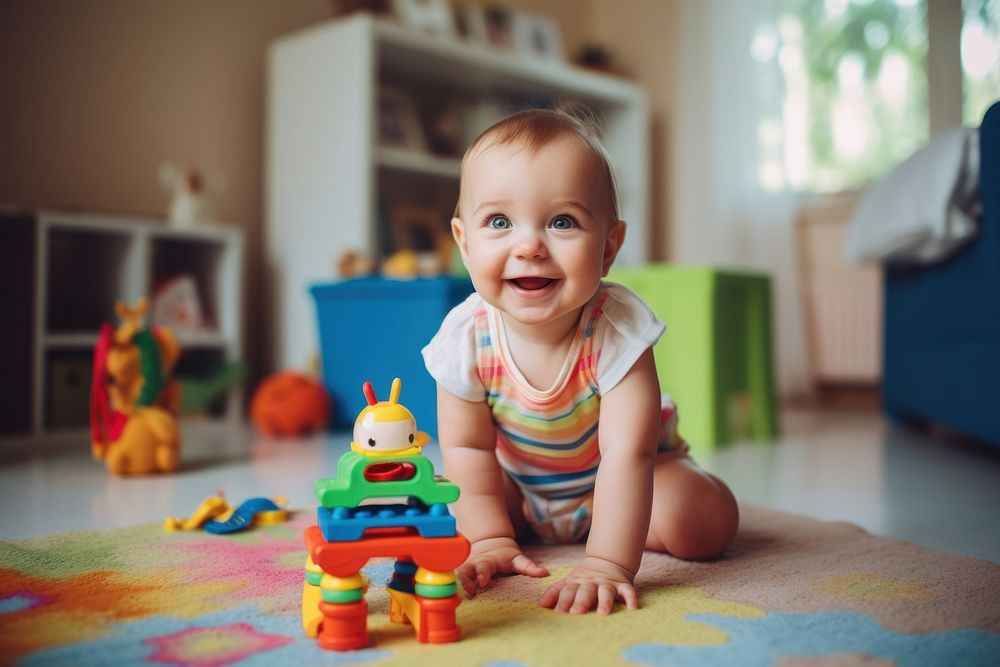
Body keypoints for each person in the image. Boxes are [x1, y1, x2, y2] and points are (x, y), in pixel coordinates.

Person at [422, 105, 739, 615]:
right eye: (499, 221)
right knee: (451, 507)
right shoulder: (463, 338)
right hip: (525, 485)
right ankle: (513, 531)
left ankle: (656, 510)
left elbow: (627, 455)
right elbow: (468, 449)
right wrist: (489, 539)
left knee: (699, 524)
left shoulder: (618, 331)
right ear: (464, 242)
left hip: (635, 476)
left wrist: (608, 563)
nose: (528, 245)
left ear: (609, 247)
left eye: (562, 222)